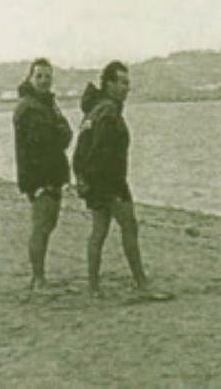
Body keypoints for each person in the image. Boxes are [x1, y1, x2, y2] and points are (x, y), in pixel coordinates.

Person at [73, 60, 150, 297]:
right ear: (109, 84)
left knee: (99, 231)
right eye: (123, 83)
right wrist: (109, 186)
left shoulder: (94, 110)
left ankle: (94, 286)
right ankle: (141, 282)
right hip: (109, 181)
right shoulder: (108, 111)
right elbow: (100, 150)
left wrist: (82, 177)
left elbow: (80, 150)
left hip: (94, 180)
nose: (127, 88)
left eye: (128, 83)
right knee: (129, 226)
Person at [12, 57, 73, 291]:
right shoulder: (29, 107)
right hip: (39, 176)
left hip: (52, 173)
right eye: (39, 76)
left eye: (48, 76)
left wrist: (59, 134)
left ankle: (39, 276)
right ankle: (38, 279)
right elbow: (43, 142)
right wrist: (33, 183)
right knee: (41, 225)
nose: (44, 81)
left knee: (48, 224)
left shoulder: (47, 105)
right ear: (30, 78)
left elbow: (65, 135)